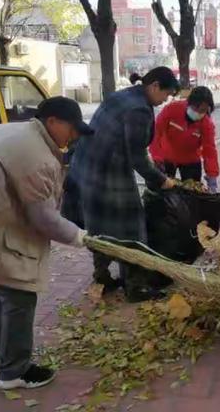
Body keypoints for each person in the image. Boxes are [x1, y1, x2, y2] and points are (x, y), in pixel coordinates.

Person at [0, 97, 91, 390]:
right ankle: (13, 372)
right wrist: (79, 236)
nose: (73, 137)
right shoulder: (36, 156)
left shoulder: (11, 131)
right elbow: (43, 218)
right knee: (20, 296)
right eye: (72, 129)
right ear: (53, 122)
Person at [63, 67, 179, 303]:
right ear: (155, 85)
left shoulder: (125, 95)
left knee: (98, 225)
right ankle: (135, 287)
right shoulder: (138, 109)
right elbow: (136, 156)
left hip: (86, 165)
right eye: (165, 94)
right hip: (108, 171)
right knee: (132, 228)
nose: (164, 101)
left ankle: (102, 276)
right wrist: (160, 180)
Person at [149, 86, 219, 191]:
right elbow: (155, 133)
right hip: (166, 157)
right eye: (196, 108)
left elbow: (209, 151)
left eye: (203, 110)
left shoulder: (207, 124)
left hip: (191, 161)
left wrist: (212, 176)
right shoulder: (172, 109)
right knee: (162, 191)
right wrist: (157, 158)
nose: (199, 113)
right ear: (189, 103)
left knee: (192, 193)